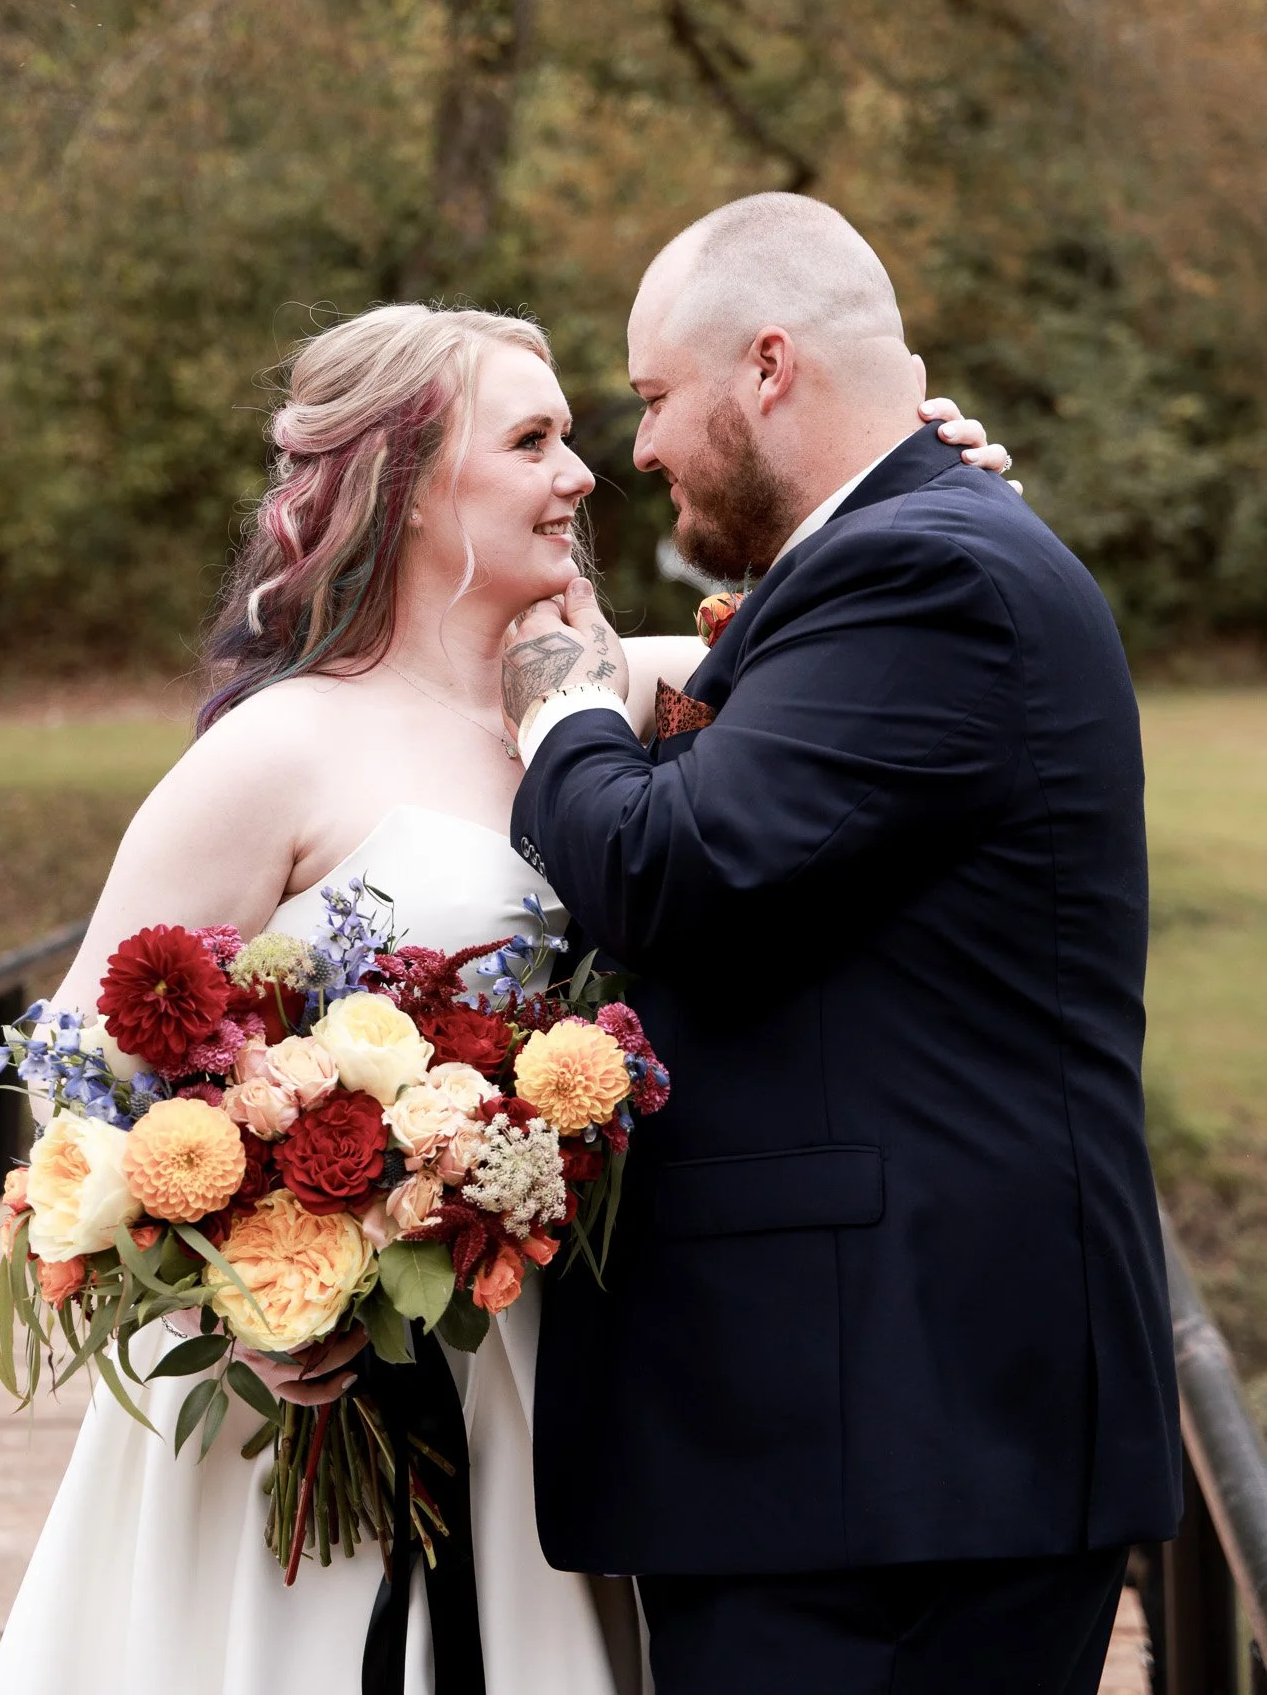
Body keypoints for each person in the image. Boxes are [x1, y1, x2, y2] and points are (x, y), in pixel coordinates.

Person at [0, 297, 1009, 1695]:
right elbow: (71, 1089)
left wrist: (930, 470)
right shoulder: (278, 751)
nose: (581, 475)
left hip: (543, 1362)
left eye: (576, 437)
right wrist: (234, 1302)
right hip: (314, 1401)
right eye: (532, 440)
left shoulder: (629, 691)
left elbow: (870, 617)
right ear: (404, 487)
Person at [503, 193, 1182, 1695]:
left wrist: (557, 701)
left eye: (655, 395)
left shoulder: (923, 574)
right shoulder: (906, 551)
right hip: (865, 1442)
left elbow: (665, 868)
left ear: (765, 366)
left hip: (889, 1447)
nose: (641, 448)